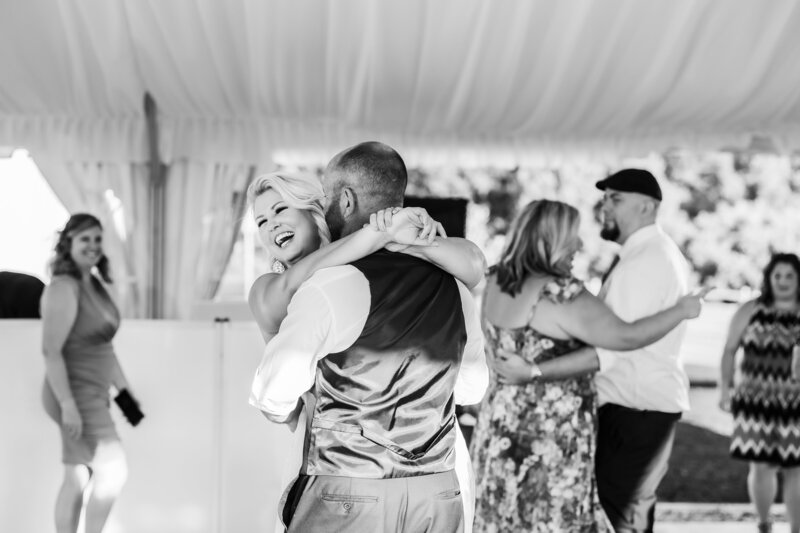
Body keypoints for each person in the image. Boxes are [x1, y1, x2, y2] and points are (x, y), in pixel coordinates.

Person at [250, 141, 489, 533]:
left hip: (343, 482)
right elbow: (471, 389)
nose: (272, 225)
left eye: (281, 210)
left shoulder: (328, 287)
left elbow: (274, 398)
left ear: (337, 204)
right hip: (437, 484)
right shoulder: (455, 288)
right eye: (261, 221)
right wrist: (403, 234)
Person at [468, 199, 707, 533]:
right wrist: (682, 310)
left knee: (503, 519)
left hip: (499, 428)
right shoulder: (560, 294)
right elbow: (626, 337)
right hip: (548, 440)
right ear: (550, 239)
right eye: (572, 236)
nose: (579, 245)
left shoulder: (494, 281)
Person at [588, 169, 694, 533]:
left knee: (623, 521)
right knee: (625, 516)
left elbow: (619, 341)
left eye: (616, 199)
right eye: (605, 199)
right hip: (637, 408)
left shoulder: (648, 260)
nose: (605, 207)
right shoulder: (645, 253)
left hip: (636, 411)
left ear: (648, 207)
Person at [41, 214, 136, 533]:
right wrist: (68, 404)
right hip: (72, 392)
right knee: (112, 470)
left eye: (98, 239)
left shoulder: (92, 283)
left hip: (94, 390)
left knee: (78, 474)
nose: (93, 246)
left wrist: (124, 392)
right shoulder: (63, 288)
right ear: (68, 243)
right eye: (85, 239)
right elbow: (51, 351)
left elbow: (103, 347)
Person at [719, 253, 800, 533]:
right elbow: (729, 350)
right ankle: (764, 524)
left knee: (796, 469)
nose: (783, 281)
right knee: (761, 465)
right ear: (769, 278)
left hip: (796, 404)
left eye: (790, 275)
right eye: (778, 275)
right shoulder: (749, 310)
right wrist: (725, 388)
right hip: (755, 401)